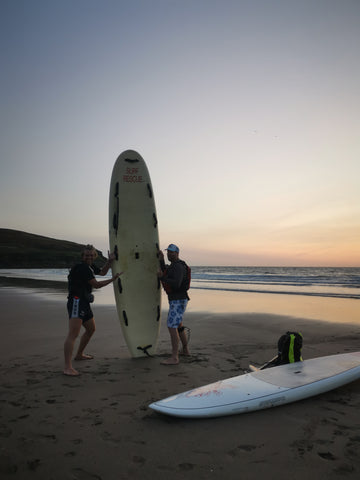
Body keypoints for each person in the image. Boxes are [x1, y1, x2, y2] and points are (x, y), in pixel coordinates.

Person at [63, 244, 122, 376]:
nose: (89, 257)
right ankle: (67, 367)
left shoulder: (89, 266)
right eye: (86, 255)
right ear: (82, 256)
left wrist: (109, 261)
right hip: (76, 301)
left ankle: (79, 355)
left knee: (91, 329)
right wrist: (113, 279)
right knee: (73, 334)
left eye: (91, 255)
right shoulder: (83, 268)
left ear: (94, 256)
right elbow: (97, 284)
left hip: (84, 302)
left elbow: (101, 272)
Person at [158, 244, 190, 365]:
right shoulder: (174, 265)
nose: (169, 254)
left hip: (178, 300)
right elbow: (166, 272)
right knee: (178, 325)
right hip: (178, 299)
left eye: (172, 252)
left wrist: (162, 278)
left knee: (172, 326)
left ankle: (174, 357)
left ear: (177, 253)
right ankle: (185, 350)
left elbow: (176, 283)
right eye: (168, 252)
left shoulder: (178, 267)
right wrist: (161, 260)